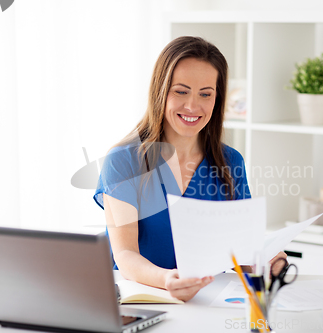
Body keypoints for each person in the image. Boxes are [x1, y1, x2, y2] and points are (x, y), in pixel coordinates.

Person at [94, 36, 286, 302]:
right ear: (160, 91)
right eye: (181, 91)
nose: (193, 106)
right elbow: (125, 255)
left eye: (205, 94)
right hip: (141, 299)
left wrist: (265, 260)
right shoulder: (123, 162)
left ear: (217, 99)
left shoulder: (231, 162)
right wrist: (167, 280)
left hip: (209, 301)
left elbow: (239, 250)